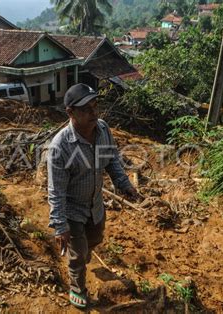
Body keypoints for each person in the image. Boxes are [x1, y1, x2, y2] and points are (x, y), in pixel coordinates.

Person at [47, 83, 139, 309]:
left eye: (95, 107)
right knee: (78, 257)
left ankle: (82, 254)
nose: (93, 113)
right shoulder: (60, 147)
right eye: (86, 109)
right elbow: (56, 191)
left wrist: (123, 183)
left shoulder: (103, 130)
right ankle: (77, 290)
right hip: (73, 211)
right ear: (70, 112)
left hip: (96, 204)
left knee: (96, 238)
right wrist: (60, 226)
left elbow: (112, 160)